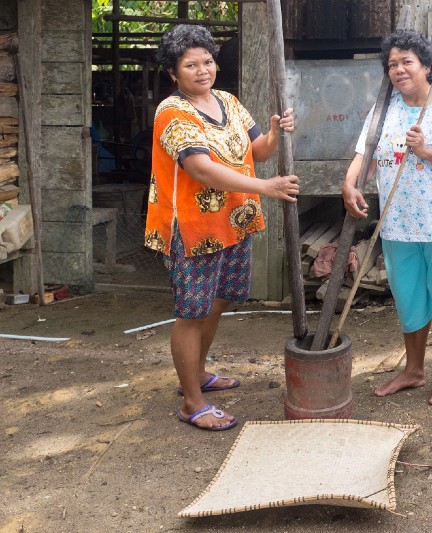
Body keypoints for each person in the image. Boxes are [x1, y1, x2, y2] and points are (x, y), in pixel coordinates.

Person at [144, 25, 299, 431]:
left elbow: (256, 152)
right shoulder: (172, 112)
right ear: (174, 73)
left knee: (217, 301)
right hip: (192, 228)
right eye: (190, 64)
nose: (202, 70)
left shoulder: (228, 101)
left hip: (232, 222)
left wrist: (272, 132)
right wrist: (265, 188)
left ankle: (196, 374)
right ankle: (192, 403)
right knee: (191, 312)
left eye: (207, 61)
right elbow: (200, 168)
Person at [342, 29, 432, 405]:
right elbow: (365, 153)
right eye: (392, 64)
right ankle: (414, 370)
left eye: (407, 62)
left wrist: (426, 150)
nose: (399, 69)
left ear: (427, 67)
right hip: (397, 226)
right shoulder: (383, 107)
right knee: (409, 302)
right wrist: (349, 183)